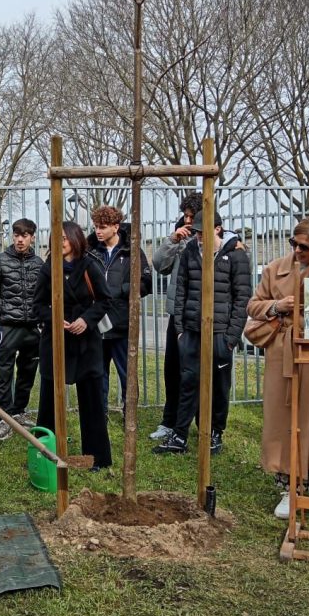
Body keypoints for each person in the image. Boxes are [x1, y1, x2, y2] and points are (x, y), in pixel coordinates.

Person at [245, 217, 309, 523]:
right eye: (293, 244)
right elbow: (253, 305)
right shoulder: (275, 268)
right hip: (283, 350)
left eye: (304, 246)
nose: (297, 251)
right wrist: (277, 306)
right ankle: (290, 489)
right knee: (283, 418)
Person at [153, 210, 251, 456]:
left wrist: (231, 338)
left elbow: (242, 298)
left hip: (220, 333)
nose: (198, 236)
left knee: (219, 385)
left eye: (202, 231)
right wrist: (180, 330)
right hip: (191, 331)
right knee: (188, 382)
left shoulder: (236, 255)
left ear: (217, 229)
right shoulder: (190, 251)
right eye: (196, 232)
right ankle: (180, 435)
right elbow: (181, 290)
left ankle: (215, 432)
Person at [32, 221, 113, 472]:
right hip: (55, 342)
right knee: (49, 400)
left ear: (76, 239)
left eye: (65, 238)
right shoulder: (48, 268)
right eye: (57, 238)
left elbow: (105, 300)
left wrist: (86, 320)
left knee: (92, 401)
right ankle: (46, 454)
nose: (61, 242)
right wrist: (54, 319)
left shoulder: (90, 265)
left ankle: (97, 457)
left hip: (86, 343)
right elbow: (37, 305)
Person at [0, 218, 44, 440]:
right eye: (16, 235)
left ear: (32, 237)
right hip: (8, 327)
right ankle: (4, 417)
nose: (19, 240)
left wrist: (44, 322)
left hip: (33, 328)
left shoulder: (39, 264)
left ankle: (19, 411)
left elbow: (45, 295)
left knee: (28, 372)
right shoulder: (1, 261)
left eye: (24, 235)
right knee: (5, 372)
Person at [87, 205, 152, 413]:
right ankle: (100, 413)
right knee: (98, 372)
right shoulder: (89, 251)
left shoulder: (132, 251)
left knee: (127, 373)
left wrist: (120, 290)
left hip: (122, 323)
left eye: (103, 227)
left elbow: (146, 283)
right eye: (96, 226)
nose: (98, 231)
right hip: (97, 322)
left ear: (115, 227)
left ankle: (129, 412)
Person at [150, 192, 204, 441]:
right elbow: (159, 265)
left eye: (192, 216)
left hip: (203, 316)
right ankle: (169, 422)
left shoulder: (218, 238)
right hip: (177, 314)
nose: (188, 221)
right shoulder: (179, 236)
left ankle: (206, 426)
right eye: (185, 216)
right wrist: (172, 240)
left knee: (200, 373)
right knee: (173, 370)